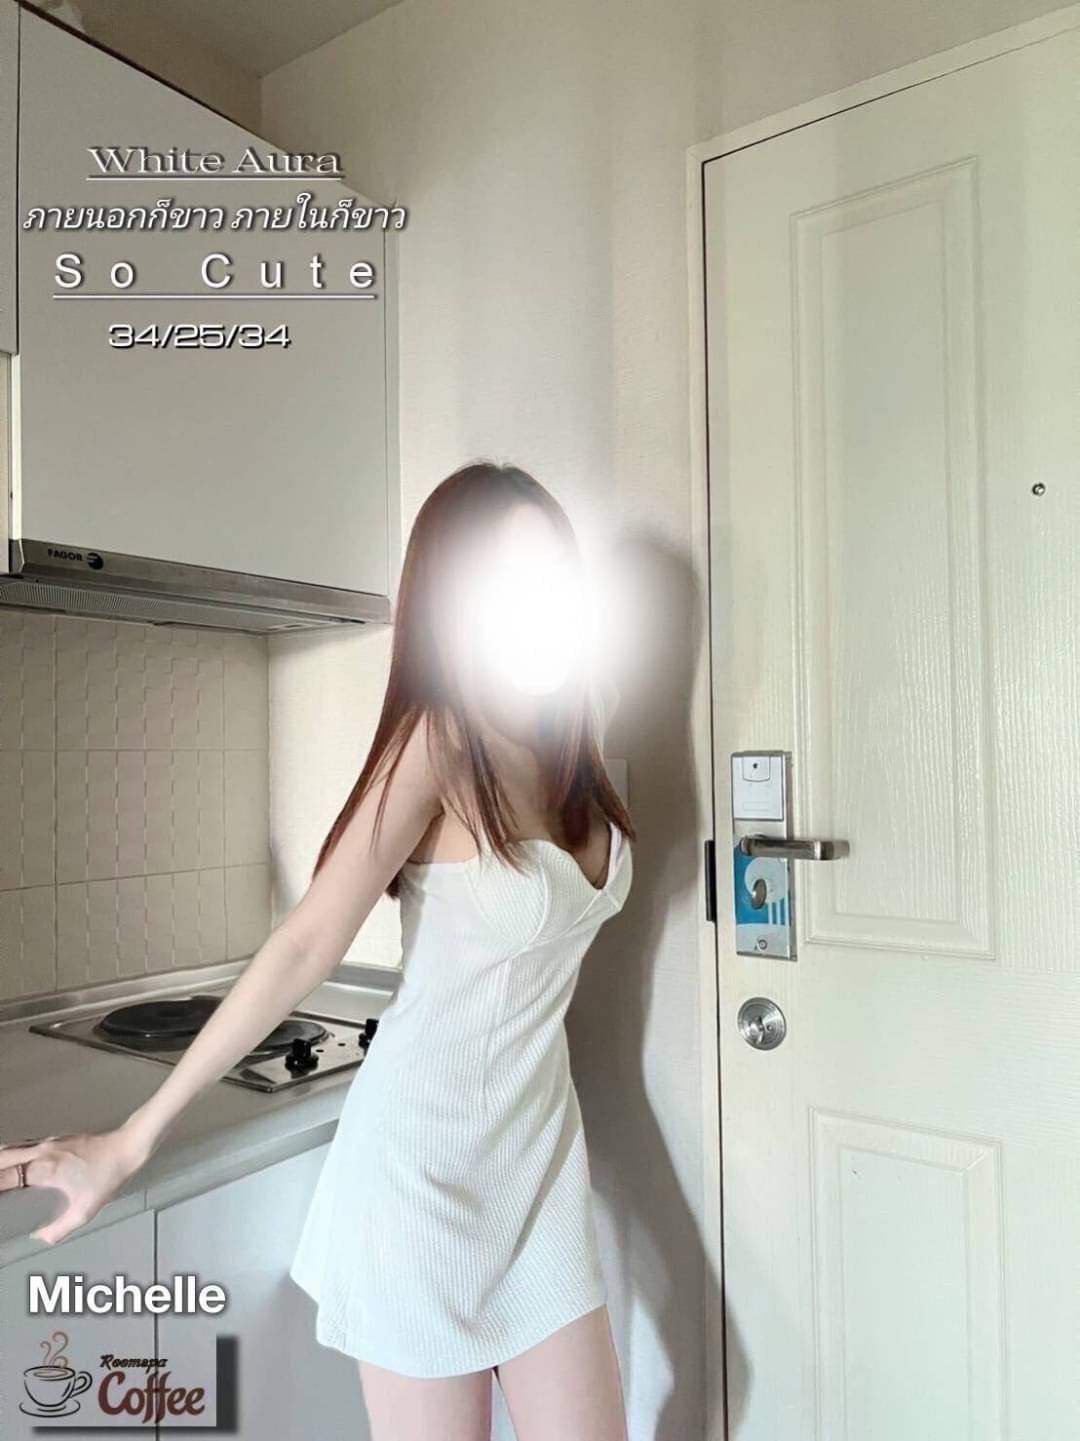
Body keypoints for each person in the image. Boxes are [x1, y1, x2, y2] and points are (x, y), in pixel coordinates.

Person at [0, 460, 635, 1441]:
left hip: (539, 1166)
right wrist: (131, 1137)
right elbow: (304, 943)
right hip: (421, 1181)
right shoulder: (442, 742)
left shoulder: (581, 748)